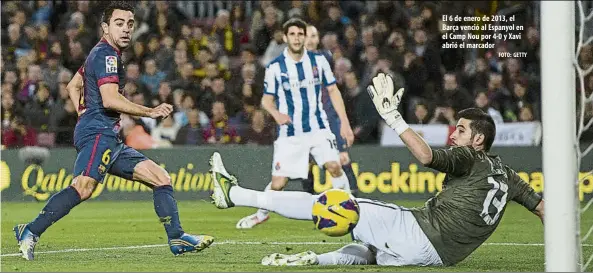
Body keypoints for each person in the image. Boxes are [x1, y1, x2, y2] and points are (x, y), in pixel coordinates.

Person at [209, 73, 545, 267]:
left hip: (423, 234)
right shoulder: (509, 176)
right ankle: (315, 259)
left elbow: (427, 157)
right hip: (439, 258)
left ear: (479, 139)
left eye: (460, 129)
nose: (453, 134)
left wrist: (393, 118)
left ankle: (234, 194)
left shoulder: (470, 157)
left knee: (338, 202)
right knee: (372, 248)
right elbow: (544, 208)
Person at [13, 2, 213, 261]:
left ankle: (176, 236)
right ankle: (29, 230)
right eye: (119, 23)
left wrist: (82, 112)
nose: (126, 29)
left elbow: (73, 86)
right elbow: (109, 99)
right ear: (105, 28)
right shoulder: (107, 55)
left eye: (130, 24)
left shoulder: (98, 54)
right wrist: (149, 111)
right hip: (99, 132)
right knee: (83, 187)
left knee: (160, 177)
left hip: (105, 133)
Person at [235, 18, 355, 229]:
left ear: (305, 37)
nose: (297, 38)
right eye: (293, 34)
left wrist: (344, 124)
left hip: (318, 127)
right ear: (285, 37)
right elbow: (266, 99)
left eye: (301, 34)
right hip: (290, 133)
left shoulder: (319, 62)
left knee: (334, 166)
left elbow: (334, 91)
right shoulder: (275, 67)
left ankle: (348, 209)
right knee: (279, 183)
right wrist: (275, 113)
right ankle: (261, 213)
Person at [300, 24, 359, 196]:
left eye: (313, 36)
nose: (310, 40)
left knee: (342, 158)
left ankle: (354, 200)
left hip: (328, 116)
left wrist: (343, 122)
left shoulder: (324, 57)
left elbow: (332, 89)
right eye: (306, 36)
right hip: (305, 120)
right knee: (305, 163)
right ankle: (309, 200)